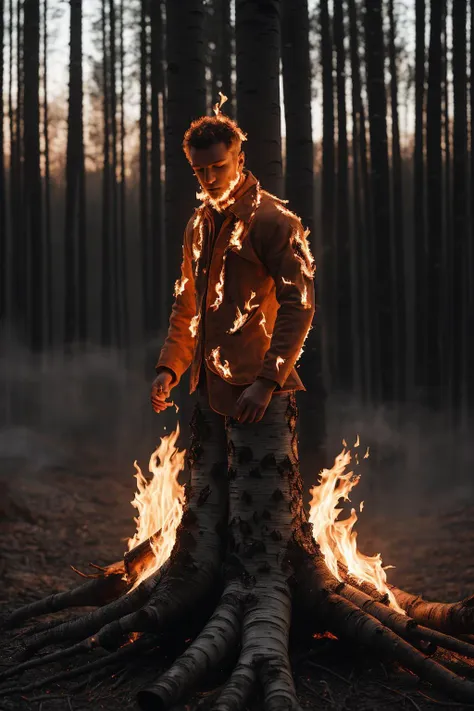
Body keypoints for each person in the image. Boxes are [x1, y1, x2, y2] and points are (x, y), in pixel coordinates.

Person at [151, 101, 315, 469]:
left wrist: (268, 382)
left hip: (260, 398)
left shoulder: (274, 221)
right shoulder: (198, 225)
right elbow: (187, 303)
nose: (209, 179)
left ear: (239, 161)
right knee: (206, 518)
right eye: (200, 170)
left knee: (264, 519)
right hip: (208, 392)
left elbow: (299, 304)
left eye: (218, 167)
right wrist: (170, 368)